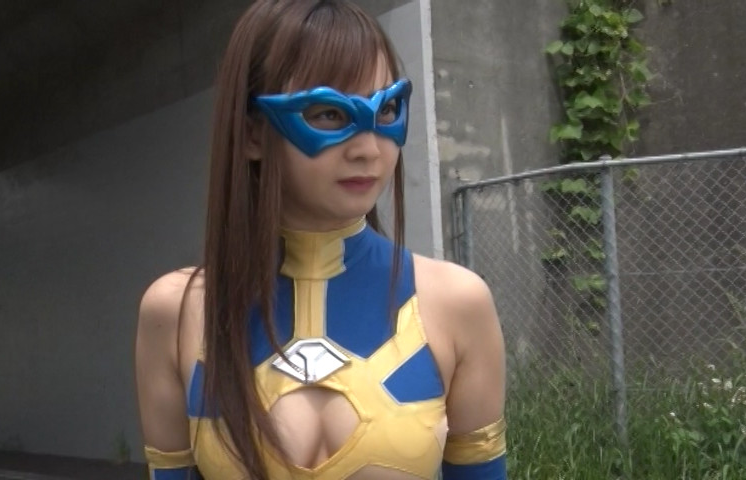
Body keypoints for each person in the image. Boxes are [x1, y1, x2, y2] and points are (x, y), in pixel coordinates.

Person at [134, 1, 506, 479]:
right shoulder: (177, 311)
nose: (368, 149)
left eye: (386, 109)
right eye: (329, 114)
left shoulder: (456, 303)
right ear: (251, 134)